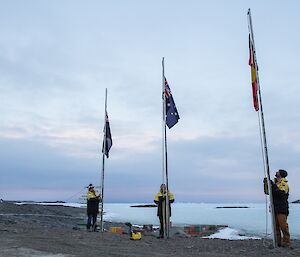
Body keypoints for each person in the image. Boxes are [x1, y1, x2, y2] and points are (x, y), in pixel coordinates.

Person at [264, 169, 290, 247]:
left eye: (278, 172)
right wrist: (266, 184)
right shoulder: (275, 183)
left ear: (281, 174)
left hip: (282, 208)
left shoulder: (284, 184)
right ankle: (277, 242)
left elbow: (280, 193)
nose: (276, 172)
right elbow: (268, 192)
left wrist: (272, 185)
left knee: (283, 226)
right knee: (275, 227)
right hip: (274, 207)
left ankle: (286, 242)